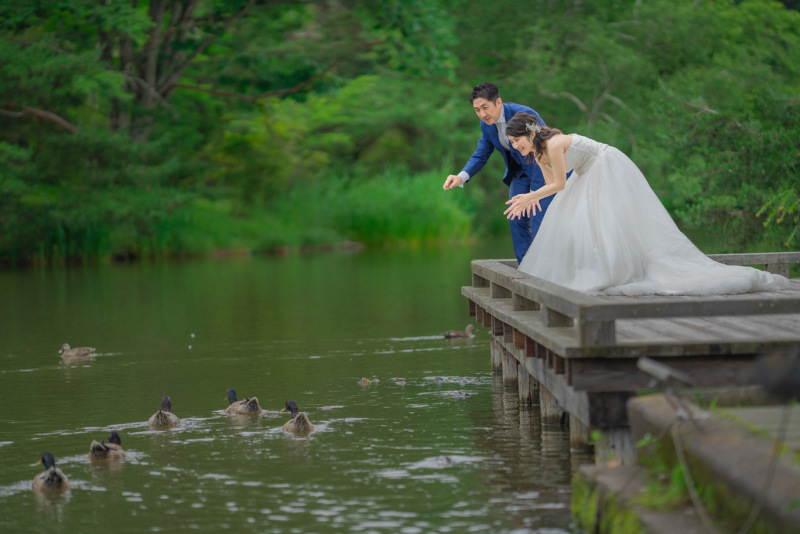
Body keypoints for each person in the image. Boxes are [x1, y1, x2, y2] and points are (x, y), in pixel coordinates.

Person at [503, 112, 789, 295]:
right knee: (568, 217)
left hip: (604, 164)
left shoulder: (553, 143)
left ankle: (617, 270)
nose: (516, 147)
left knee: (605, 221)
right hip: (584, 174)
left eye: (517, 141)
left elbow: (560, 184)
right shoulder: (538, 154)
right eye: (513, 144)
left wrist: (530, 195)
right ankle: (594, 269)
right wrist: (529, 198)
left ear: (529, 133)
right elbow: (552, 184)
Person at [443, 82, 552, 264]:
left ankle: (549, 268)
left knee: (538, 216)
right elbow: (482, 152)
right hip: (518, 173)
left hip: (541, 171)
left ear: (498, 102)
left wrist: (535, 192)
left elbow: (545, 147)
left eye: (485, 107)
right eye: (477, 110)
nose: (482, 114)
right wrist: (461, 176)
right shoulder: (485, 124)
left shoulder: (525, 115)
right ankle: (527, 268)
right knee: (516, 216)